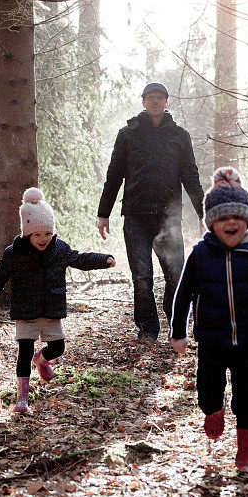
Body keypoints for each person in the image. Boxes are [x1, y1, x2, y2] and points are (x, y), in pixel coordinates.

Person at [169, 167, 248, 478]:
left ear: (247, 221)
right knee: (207, 393)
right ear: (211, 222)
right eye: (223, 217)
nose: (231, 223)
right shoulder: (200, 255)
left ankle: (246, 456)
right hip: (210, 341)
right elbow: (182, 295)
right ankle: (214, 411)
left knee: (246, 399)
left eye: (237, 217)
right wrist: (178, 332)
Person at [0, 188, 115, 413]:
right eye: (37, 235)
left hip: (51, 308)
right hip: (26, 311)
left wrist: (103, 260)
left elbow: (79, 259)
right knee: (23, 351)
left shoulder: (59, 249)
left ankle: (41, 359)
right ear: (27, 234)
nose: (43, 239)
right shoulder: (14, 253)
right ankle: (22, 397)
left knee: (58, 347)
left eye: (47, 234)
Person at [96, 82, 205, 340]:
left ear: (166, 103)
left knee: (176, 275)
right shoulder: (128, 134)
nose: (155, 101)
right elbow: (114, 176)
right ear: (143, 102)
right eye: (150, 97)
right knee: (142, 277)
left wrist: (203, 213)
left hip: (169, 218)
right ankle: (148, 330)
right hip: (135, 216)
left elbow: (191, 177)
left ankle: (176, 325)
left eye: (160, 97)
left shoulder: (180, 136)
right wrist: (104, 213)